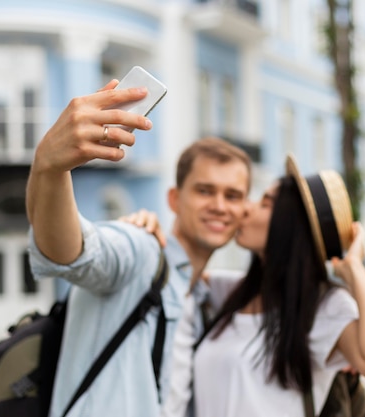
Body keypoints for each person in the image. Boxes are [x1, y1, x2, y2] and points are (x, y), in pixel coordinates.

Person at [26, 78, 252, 417]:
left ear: (244, 209)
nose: (220, 205)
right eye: (205, 191)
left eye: (232, 196)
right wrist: (50, 167)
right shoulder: (142, 248)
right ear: (174, 199)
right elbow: (71, 253)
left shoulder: (207, 297)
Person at [154, 155, 365, 417]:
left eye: (264, 203)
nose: (246, 209)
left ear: (291, 226)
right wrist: (145, 232)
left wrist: (354, 269)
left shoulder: (323, 307)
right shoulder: (231, 293)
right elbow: (176, 270)